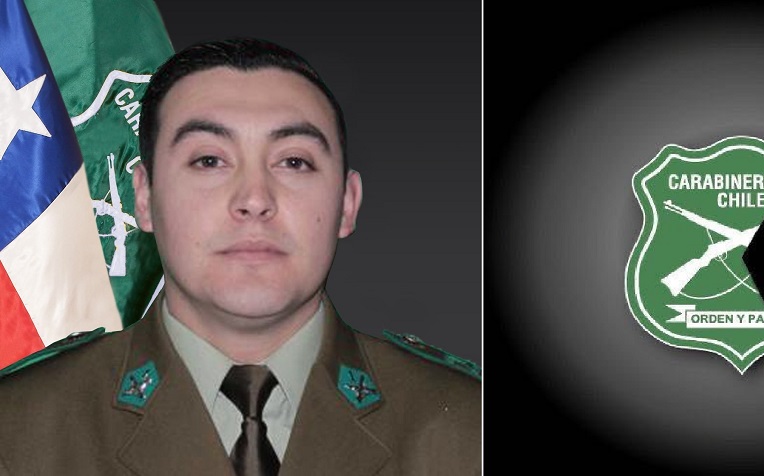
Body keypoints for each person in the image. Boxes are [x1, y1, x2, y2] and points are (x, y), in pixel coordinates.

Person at [0, 38, 480, 475]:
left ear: (347, 203)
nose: (254, 199)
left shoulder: (469, 426)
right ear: (143, 197)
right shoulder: (18, 427)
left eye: (294, 161)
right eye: (208, 161)